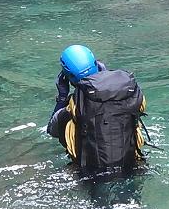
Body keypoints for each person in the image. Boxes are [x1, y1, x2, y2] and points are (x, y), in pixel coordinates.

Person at [46, 45, 147, 175]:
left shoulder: (73, 107)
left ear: (68, 77)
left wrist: (62, 96)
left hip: (93, 173)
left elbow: (52, 130)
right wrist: (102, 75)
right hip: (133, 165)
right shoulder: (128, 91)